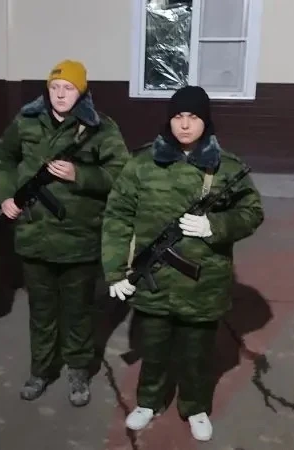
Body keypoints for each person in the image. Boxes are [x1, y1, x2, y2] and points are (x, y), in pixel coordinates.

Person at [101, 85, 264, 440]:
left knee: (197, 354)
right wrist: (115, 271)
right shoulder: (142, 163)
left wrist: (215, 226)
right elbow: (117, 216)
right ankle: (148, 402)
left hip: (203, 284)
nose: (185, 125)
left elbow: (252, 213)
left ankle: (195, 407)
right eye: (178, 116)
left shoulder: (225, 167)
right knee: (153, 349)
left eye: (193, 117)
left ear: (205, 121)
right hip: (154, 281)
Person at [0, 59, 130, 406]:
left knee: (77, 311)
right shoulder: (27, 121)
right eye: (55, 87)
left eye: (68, 88)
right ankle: (40, 370)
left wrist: (79, 175)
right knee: (40, 311)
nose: (60, 94)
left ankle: (78, 371)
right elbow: (2, 156)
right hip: (34, 236)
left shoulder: (100, 128)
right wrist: (6, 195)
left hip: (79, 238)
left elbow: (122, 176)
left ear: (81, 91)